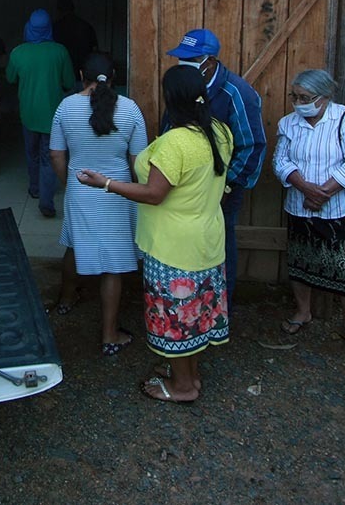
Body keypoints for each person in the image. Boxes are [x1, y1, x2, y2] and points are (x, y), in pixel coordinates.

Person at [77, 65, 232, 403]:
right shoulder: (219, 131)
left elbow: (153, 193)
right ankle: (189, 374)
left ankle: (183, 388)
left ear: (170, 99)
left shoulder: (176, 143)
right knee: (191, 316)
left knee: (175, 319)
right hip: (207, 239)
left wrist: (105, 183)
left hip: (173, 246)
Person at [49, 53, 148, 355]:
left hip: (80, 187)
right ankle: (109, 335)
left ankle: (66, 299)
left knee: (73, 244)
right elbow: (139, 160)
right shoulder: (130, 109)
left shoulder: (65, 107)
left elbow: (56, 155)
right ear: (114, 76)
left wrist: (70, 186)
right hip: (118, 191)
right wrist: (134, 189)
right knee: (113, 266)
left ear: (82, 74)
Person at [273, 69, 345, 361]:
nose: (298, 102)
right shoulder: (289, 123)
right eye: (295, 97)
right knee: (301, 260)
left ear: (325, 97)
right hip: (300, 205)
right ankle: (303, 311)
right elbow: (280, 161)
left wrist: (323, 193)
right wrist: (306, 188)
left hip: (341, 209)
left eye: (305, 98)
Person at [166, 28, 266, 311]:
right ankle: (184, 307)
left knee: (219, 248)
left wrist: (227, 186)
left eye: (190, 58)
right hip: (185, 188)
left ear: (209, 62)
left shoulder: (237, 93)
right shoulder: (186, 85)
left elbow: (253, 146)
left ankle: (219, 309)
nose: (182, 63)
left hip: (221, 191)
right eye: (180, 58)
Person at [7, 9, 75, 218]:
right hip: (53, 115)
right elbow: (69, 83)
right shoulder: (60, 51)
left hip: (28, 113)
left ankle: (35, 189)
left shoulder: (18, 52)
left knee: (32, 153)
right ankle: (47, 201)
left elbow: (10, 79)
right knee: (49, 156)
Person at [52, 0, 99, 75]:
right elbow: (95, 50)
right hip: (83, 70)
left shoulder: (55, 28)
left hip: (61, 71)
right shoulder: (86, 26)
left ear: (58, 10)